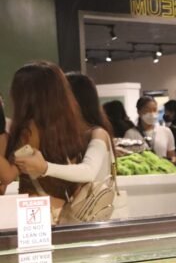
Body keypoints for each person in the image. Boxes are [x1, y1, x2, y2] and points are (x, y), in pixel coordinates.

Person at [14, 73, 115, 223]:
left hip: (95, 218)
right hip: (80, 219)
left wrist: (45, 168)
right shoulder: (71, 139)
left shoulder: (98, 134)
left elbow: (89, 171)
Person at [2, 62, 89, 217]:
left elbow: (8, 175)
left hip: (35, 209)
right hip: (63, 206)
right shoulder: (69, 126)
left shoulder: (28, 131)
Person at [136, 95, 176, 163]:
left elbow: (172, 155)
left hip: (163, 168)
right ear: (139, 112)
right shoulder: (130, 134)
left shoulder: (166, 131)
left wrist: (172, 160)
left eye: (154, 110)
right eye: (147, 110)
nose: (152, 113)